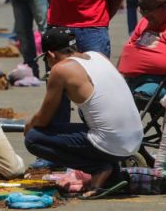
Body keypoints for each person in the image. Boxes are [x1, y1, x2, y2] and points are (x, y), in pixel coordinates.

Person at [24, 27, 143, 199]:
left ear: (51, 55)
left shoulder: (61, 69)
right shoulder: (97, 56)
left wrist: (28, 126)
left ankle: (98, 168)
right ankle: (112, 175)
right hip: (134, 139)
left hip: (111, 143)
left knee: (34, 138)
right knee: (91, 123)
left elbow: (43, 119)